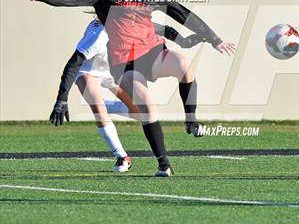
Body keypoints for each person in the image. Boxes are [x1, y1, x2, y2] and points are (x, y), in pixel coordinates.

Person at [28, 0, 236, 177]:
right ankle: (163, 163)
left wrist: (214, 39)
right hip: (124, 62)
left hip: (152, 53)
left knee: (184, 66)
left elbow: (181, 13)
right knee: (146, 107)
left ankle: (191, 120)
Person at [49, 17, 204, 173]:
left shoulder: (128, 20)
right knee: (98, 110)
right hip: (89, 71)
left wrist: (184, 41)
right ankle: (122, 156)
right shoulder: (98, 36)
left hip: (114, 70)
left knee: (141, 113)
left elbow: (161, 28)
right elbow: (72, 64)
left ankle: (109, 107)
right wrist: (61, 99)